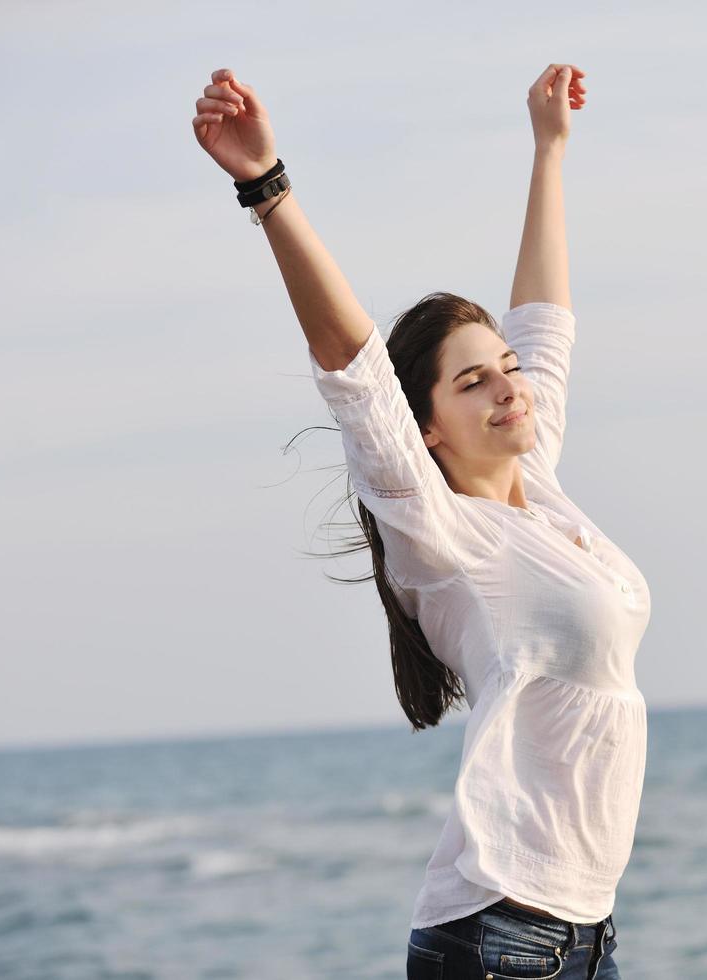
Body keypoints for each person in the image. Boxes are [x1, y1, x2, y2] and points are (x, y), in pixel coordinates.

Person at [192, 63, 646, 979]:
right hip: (504, 938)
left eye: (507, 369)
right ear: (429, 431)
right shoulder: (442, 536)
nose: (509, 386)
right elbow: (353, 365)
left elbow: (545, 318)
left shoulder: (541, 486)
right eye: (472, 381)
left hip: (583, 935)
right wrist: (266, 187)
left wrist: (549, 149)